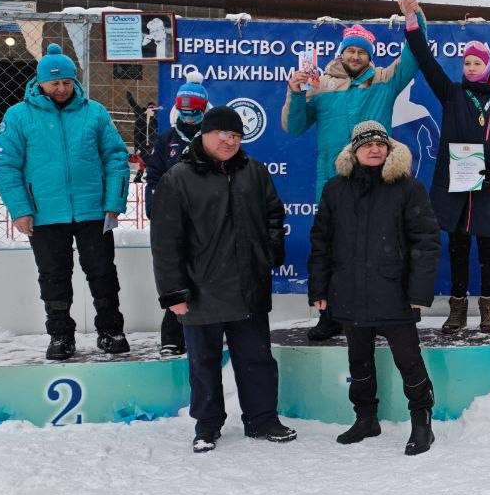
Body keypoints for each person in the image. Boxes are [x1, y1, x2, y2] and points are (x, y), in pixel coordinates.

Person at [150, 105, 297, 453]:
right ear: (205, 134)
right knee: (203, 364)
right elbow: (166, 240)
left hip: (248, 288)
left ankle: (262, 420)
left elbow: (274, 215)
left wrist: (269, 253)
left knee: (257, 360)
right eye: (222, 134)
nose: (229, 141)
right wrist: (174, 292)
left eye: (235, 135)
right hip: (200, 290)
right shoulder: (178, 178)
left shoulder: (255, 172)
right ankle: (207, 425)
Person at [282, 13, 427, 340]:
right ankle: (330, 315)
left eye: (362, 52)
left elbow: (414, 55)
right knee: (333, 247)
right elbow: (294, 127)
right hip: (332, 180)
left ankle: (382, 315)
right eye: (351, 50)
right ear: (342, 52)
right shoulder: (319, 85)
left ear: (369, 56)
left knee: (382, 245)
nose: (356, 56)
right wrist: (295, 93)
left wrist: (414, 17)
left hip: (378, 181)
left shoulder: (385, 80)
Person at [309, 121, 441, 455]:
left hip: (394, 293)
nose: (374, 148)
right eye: (367, 144)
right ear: (353, 151)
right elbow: (321, 242)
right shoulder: (335, 189)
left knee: (409, 361)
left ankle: (422, 423)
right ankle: (366, 419)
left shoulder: (408, 188)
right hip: (349, 292)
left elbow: (426, 243)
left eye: (381, 143)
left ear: (389, 149)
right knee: (359, 362)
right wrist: (319, 289)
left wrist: (418, 293)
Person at [0, 43, 129, 361]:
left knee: (102, 273)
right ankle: (60, 335)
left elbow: (116, 157)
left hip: (93, 211)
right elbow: (5, 165)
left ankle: (110, 331)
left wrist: (113, 202)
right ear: (40, 83)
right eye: (54, 83)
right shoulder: (18, 116)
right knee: (54, 276)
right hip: (44, 213)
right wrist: (20, 209)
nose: (62, 88)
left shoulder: (95, 112)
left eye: (67, 81)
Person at [400, 0, 490, 335]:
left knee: (488, 249)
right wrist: (412, 21)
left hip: (489, 187)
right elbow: (426, 60)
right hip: (455, 186)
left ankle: (489, 307)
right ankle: (457, 309)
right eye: (466, 63)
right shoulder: (452, 93)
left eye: (476, 63)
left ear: (486, 66)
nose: (470, 68)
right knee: (456, 248)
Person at [144, 70, 209, 356]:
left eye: (195, 111)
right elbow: (154, 176)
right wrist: (155, 209)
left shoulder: (212, 138)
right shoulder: (167, 139)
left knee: (205, 276)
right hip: (174, 220)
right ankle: (172, 336)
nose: (190, 116)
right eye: (185, 110)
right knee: (176, 276)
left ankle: (205, 333)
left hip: (204, 219)